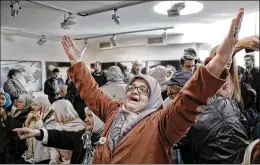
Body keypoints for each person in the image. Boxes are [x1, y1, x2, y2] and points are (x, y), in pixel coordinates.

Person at [14, 8, 244, 163]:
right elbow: (92, 93)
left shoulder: (162, 124)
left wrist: (220, 60)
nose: (135, 91)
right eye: (132, 88)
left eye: (143, 89)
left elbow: (190, 99)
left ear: (153, 98)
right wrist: (76, 62)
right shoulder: (114, 111)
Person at [14, 107, 104, 164]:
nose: (85, 119)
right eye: (86, 116)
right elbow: (60, 137)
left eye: (90, 116)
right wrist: (38, 132)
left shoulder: (110, 142)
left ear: (100, 118)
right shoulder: (85, 135)